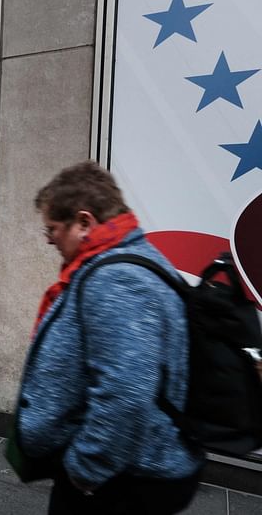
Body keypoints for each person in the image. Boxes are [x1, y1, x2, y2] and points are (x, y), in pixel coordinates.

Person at [15, 161, 204, 514]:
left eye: (53, 228)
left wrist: (85, 471)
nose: (48, 238)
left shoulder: (117, 279)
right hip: (131, 468)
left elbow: (127, 393)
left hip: (123, 480)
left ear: (85, 222)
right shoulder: (131, 258)